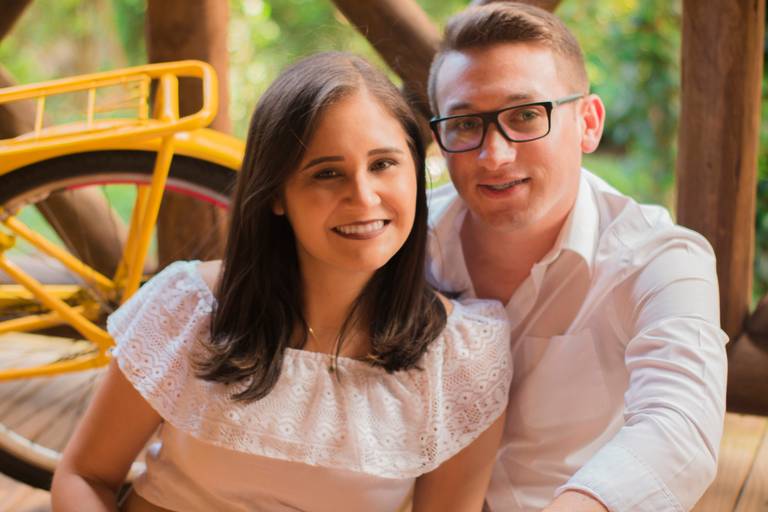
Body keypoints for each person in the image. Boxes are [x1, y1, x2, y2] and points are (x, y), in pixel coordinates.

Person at [51, 52, 513, 512]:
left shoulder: (463, 360)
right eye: (327, 173)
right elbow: (84, 476)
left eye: (383, 164)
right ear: (276, 194)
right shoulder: (187, 307)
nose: (362, 196)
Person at [425, 2, 728, 511]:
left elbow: (679, 427)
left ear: (588, 122)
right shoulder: (404, 242)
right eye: (465, 124)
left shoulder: (661, 257)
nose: (494, 155)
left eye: (525, 115)